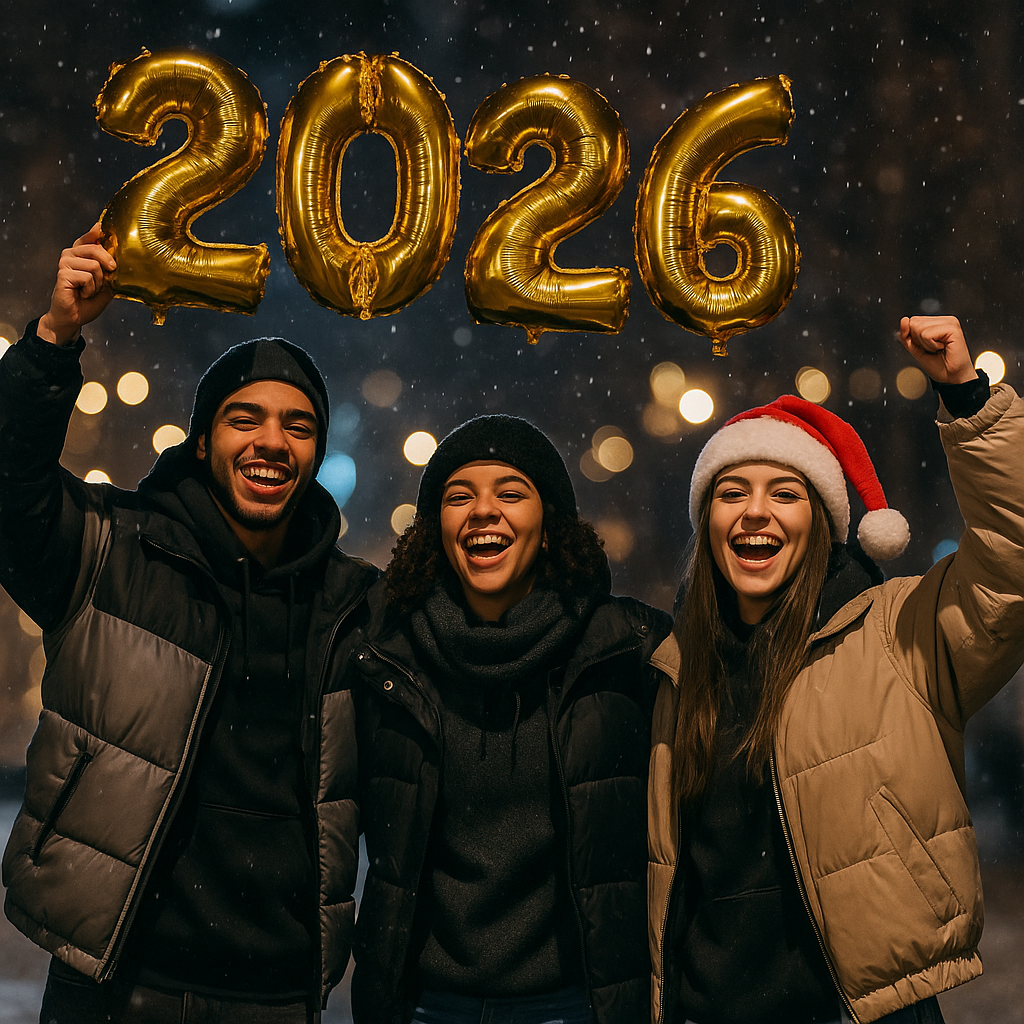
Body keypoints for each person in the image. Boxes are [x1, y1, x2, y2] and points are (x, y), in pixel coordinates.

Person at [0, 225, 378, 1022]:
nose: (272, 440)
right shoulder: (110, 550)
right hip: (114, 982)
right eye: (246, 419)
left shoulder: (355, 606)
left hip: (276, 996)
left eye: (298, 425)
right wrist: (55, 339)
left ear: (313, 454)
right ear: (204, 441)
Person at [647, 315, 1024, 1024]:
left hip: (862, 1011)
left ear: (821, 522)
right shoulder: (670, 669)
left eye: (785, 494)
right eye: (732, 493)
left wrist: (968, 400)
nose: (755, 512)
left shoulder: (898, 632)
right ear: (707, 524)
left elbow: (1013, 564)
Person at [348, 415, 672, 1024]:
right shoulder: (387, 655)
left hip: (575, 1003)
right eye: (459, 496)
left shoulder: (624, 649)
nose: (483, 511)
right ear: (434, 530)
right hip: (423, 1004)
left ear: (549, 526)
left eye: (511, 493)